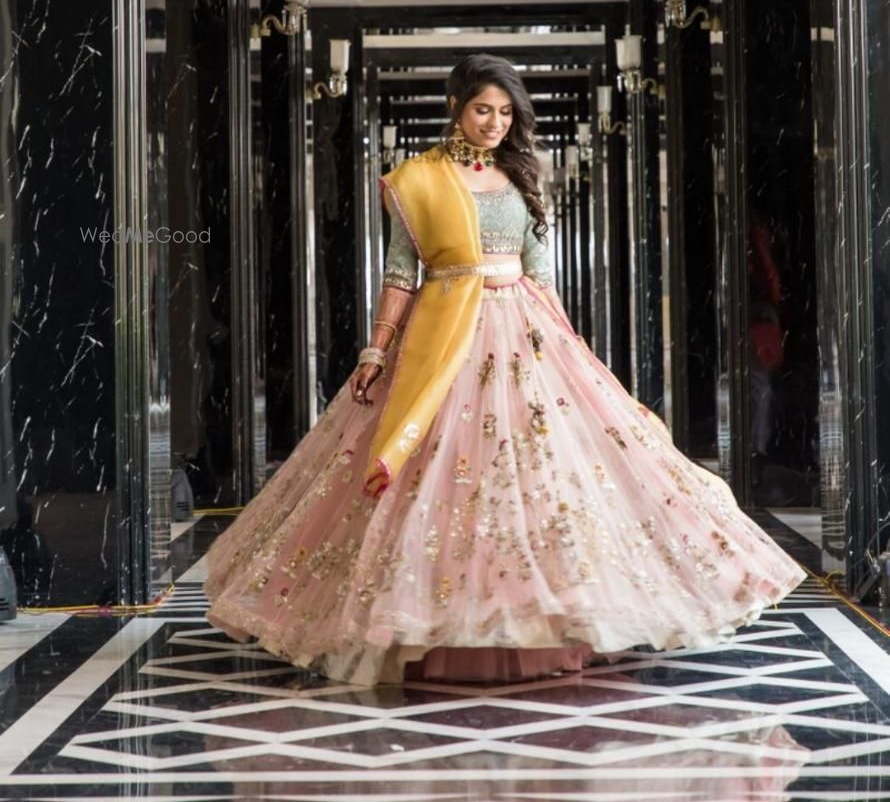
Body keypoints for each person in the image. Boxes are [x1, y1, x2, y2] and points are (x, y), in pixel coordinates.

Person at [204, 53, 805, 686]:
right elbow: (402, 273)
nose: (494, 122)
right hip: (443, 339)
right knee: (438, 476)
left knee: (546, 473)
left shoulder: (521, 174)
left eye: (504, 111)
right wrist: (377, 350)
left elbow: (538, 272)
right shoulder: (418, 179)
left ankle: (545, 613)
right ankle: (420, 621)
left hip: (525, 333)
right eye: (482, 109)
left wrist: (573, 349)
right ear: (456, 110)